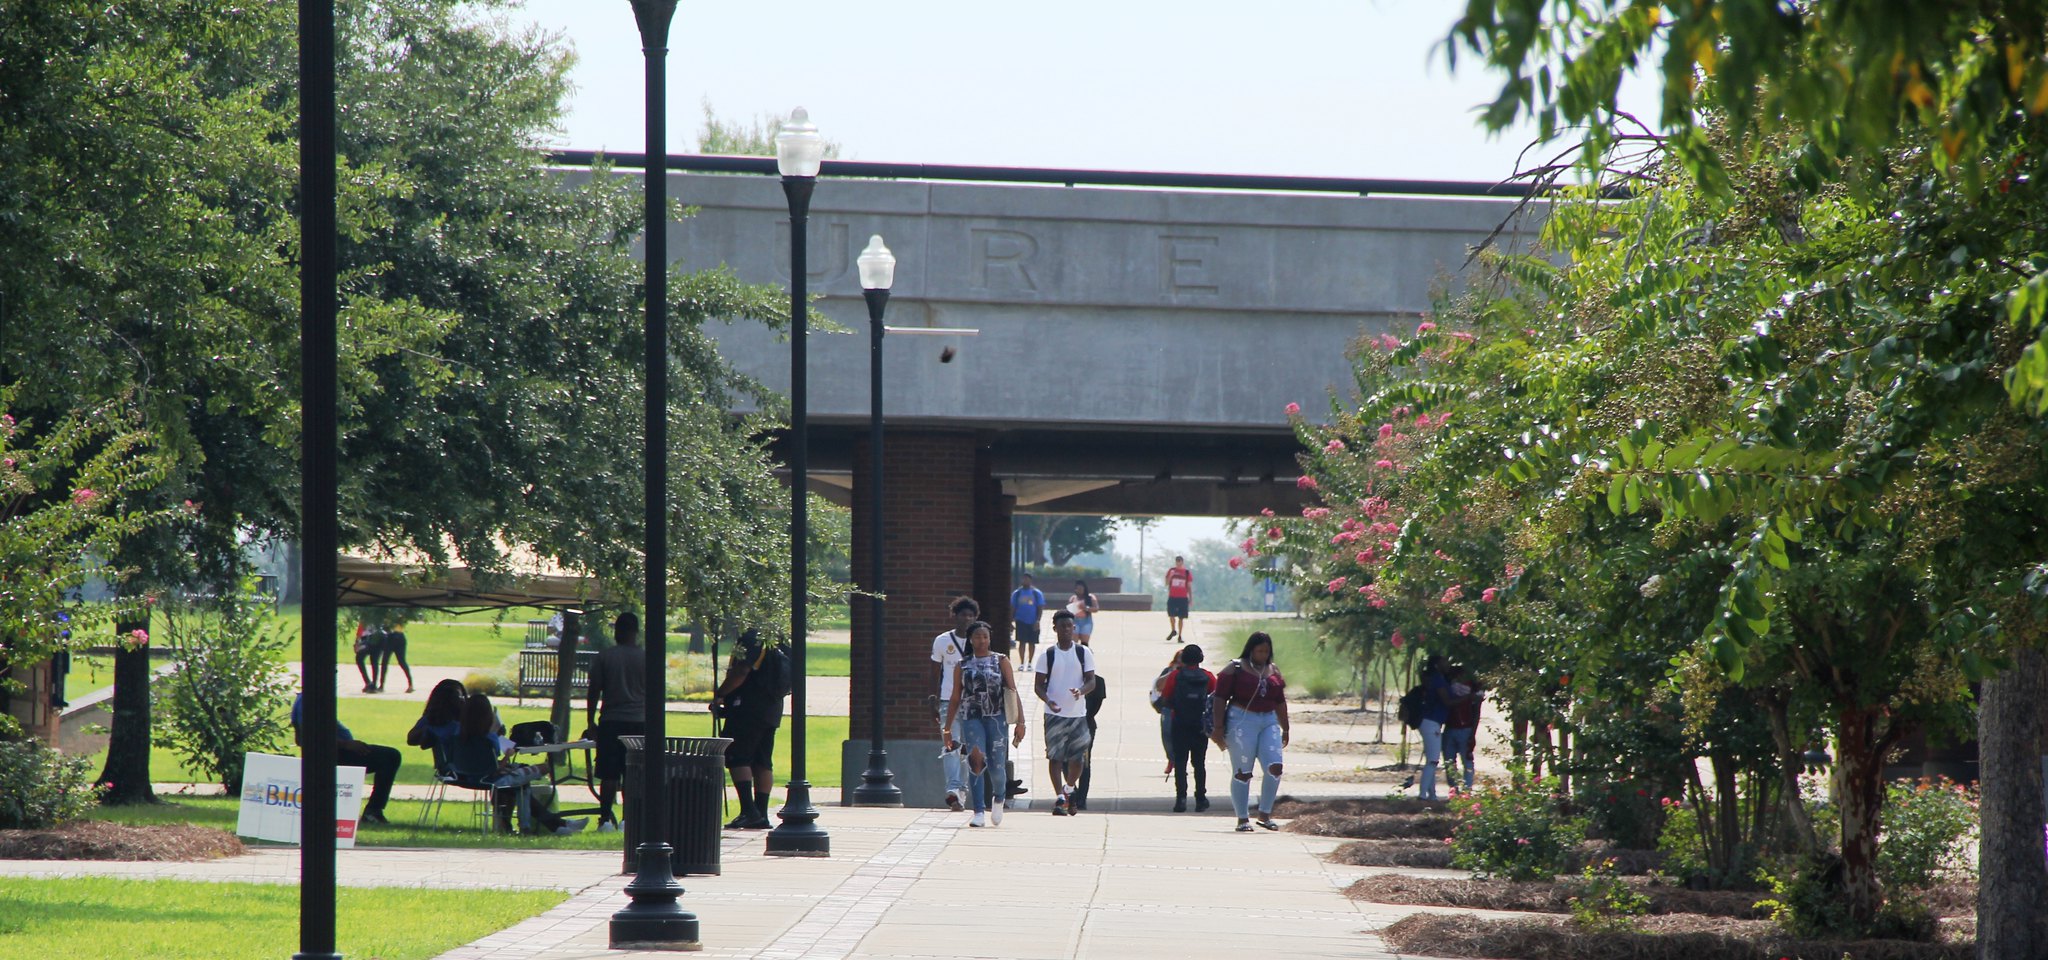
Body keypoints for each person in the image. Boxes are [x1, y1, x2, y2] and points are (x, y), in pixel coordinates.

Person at [450, 693, 585, 835]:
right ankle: (534, 827)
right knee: (537, 772)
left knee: (523, 784)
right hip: (491, 778)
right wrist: (508, 755)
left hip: (468, 777)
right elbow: (494, 768)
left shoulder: (458, 737)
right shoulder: (489, 739)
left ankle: (557, 825)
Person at [943, 621, 1025, 827]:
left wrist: (1020, 722)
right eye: (978, 636)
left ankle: (999, 797)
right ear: (970, 639)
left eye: (985, 636)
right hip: (971, 718)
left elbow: (1012, 692)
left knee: (997, 766)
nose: (982, 640)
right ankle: (978, 810)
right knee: (976, 760)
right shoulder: (963, 664)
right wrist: (947, 728)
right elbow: (954, 697)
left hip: (996, 718)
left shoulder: (1001, 660)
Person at [1210, 631, 1289, 832]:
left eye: (1266, 651)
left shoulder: (1274, 671)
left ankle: (1265, 814)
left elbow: (1280, 700)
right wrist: (1218, 728)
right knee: (1243, 771)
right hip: (1241, 720)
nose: (1263, 655)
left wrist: (1285, 727)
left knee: (1275, 766)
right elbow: (1220, 698)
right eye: (1259, 651)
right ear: (1251, 650)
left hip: (1268, 720)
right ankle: (1242, 818)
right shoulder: (1235, 668)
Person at [711, 629, 787, 830]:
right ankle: (761, 813)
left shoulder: (751, 638)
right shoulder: (778, 637)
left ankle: (748, 810)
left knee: (737, 756)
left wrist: (720, 694)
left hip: (747, 706)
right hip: (772, 707)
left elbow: (741, 671)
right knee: (762, 761)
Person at [291, 692, 399, 826]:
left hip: (336, 751)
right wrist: (346, 745)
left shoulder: (304, 699)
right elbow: (310, 736)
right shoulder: (309, 700)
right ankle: (373, 811)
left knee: (388, 756)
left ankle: (373, 811)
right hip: (334, 755)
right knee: (390, 756)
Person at [582, 612, 644, 832]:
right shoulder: (645, 658)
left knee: (609, 773)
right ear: (636, 632)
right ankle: (630, 818)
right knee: (633, 773)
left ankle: (605, 818)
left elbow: (594, 690)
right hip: (639, 722)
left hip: (611, 721)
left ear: (617, 631)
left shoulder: (605, 656)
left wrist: (591, 721)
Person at [1034, 609, 1097, 816]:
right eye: (1063, 626)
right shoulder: (1048, 655)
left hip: (1077, 714)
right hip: (1054, 715)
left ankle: (1069, 789)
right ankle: (1060, 798)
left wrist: (1080, 691)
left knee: (1078, 759)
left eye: (1070, 626)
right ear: (1055, 629)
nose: (1067, 629)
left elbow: (1091, 681)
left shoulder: (1083, 653)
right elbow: (1038, 686)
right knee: (1055, 757)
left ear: (1074, 628)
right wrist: (1048, 700)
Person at [931, 596, 979, 812]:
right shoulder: (942, 641)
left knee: (967, 749)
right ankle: (952, 789)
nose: (967, 619)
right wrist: (932, 698)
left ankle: (962, 791)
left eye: (971, 615)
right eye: (963, 615)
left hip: (973, 702)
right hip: (947, 701)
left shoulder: (979, 639)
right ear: (955, 616)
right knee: (951, 745)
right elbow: (935, 673)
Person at [1157, 644, 1214, 812]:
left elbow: (1165, 697)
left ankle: (1181, 799)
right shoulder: (1208, 676)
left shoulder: (1175, 676)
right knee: (1199, 763)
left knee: (1180, 762)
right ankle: (1200, 798)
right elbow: (1215, 697)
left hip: (1179, 723)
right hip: (1200, 724)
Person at [1070, 631, 1107, 811]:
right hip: (1067, 723)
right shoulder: (1068, 680)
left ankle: (1081, 797)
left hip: (1086, 725)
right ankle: (1072, 790)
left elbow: (1095, 708)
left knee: (1084, 761)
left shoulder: (1098, 682)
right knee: (1062, 760)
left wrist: (1082, 718)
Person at [406, 678, 468, 762]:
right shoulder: (461, 725)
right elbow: (411, 739)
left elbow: (411, 739)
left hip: (446, 769)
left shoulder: (430, 721)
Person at [1444, 665, 1482, 796]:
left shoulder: (1474, 688)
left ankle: (1466, 790)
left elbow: (1476, 712)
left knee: (1466, 761)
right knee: (1449, 761)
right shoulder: (1449, 684)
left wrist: (1472, 733)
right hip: (1451, 727)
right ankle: (1454, 789)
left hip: (1465, 728)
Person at [1009, 574, 1046, 666]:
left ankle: (1030, 662)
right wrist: (1010, 621)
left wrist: (1038, 620)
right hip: (1020, 620)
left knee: (1032, 643)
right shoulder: (1017, 593)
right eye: (1024, 578)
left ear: (1031, 580)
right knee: (1021, 642)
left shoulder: (1036, 593)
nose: (1025, 580)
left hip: (1032, 621)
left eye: (1027, 579)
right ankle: (1022, 663)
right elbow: (1012, 608)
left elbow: (1040, 607)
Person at [375, 620, 413, 694]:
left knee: (398, 662)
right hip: (394, 636)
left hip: (394, 637)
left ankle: (410, 684)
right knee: (386, 662)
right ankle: (381, 685)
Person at [1164, 556, 1193, 642]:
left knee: (1181, 617)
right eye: (1177, 561)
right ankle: (1173, 630)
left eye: (1179, 561)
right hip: (1173, 596)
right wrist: (1170, 576)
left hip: (1183, 597)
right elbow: (1166, 583)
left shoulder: (1186, 573)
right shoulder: (1171, 571)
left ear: (1182, 562)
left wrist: (1191, 599)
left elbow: (1189, 587)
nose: (1178, 563)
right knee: (1171, 615)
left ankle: (1180, 635)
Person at [352, 623, 381, 693]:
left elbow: (360, 628)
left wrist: (357, 643)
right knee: (374, 661)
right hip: (377, 638)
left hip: (368, 639)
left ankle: (370, 683)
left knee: (360, 658)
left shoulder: (366, 616)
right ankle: (372, 684)